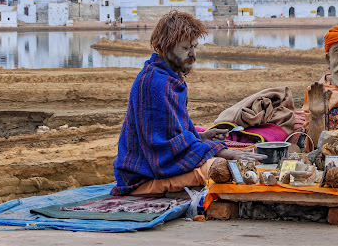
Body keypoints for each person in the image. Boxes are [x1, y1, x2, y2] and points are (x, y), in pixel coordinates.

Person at [112, 11, 265, 196]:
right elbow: (161, 150)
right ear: (166, 47)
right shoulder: (155, 82)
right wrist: (220, 152)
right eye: (185, 48)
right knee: (219, 167)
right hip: (142, 177)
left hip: (153, 168)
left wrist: (204, 137)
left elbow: (173, 132)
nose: (193, 55)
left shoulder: (168, 78)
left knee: (222, 157)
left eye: (194, 47)